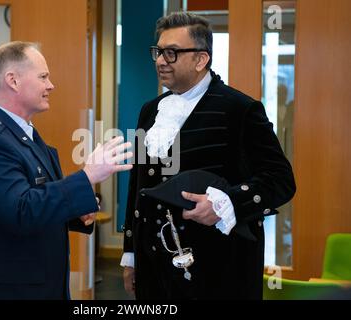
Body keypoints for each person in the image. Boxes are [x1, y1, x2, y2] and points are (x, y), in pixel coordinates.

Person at [121, 12, 296, 300]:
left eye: (171, 53)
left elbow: (281, 180)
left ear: (201, 60)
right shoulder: (149, 110)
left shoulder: (240, 109)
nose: (160, 60)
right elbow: (138, 185)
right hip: (153, 266)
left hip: (217, 271)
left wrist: (226, 202)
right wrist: (130, 255)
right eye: (158, 52)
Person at [0, 41, 132, 300]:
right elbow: (21, 212)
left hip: (41, 283)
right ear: (13, 81)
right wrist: (87, 176)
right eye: (43, 77)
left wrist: (76, 211)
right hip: (13, 289)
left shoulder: (23, 133)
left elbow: (37, 197)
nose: (50, 85)